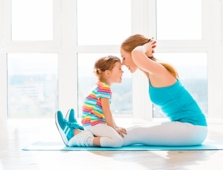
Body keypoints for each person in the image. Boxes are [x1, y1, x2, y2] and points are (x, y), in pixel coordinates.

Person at [57, 33, 208, 147]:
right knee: (133, 129)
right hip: (187, 127)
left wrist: (145, 48)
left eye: (123, 57)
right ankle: (83, 131)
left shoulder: (159, 71)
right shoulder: (152, 73)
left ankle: (74, 135)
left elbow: (136, 54)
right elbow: (137, 57)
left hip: (193, 129)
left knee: (134, 134)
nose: (122, 64)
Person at [55, 55, 126, 147]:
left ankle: (75, 129)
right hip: (93, 123)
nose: (123, 71)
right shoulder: (104, 88)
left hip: (91, 123)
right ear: (108, 73)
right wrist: (113, 128)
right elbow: (106, 111)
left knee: (114, 136)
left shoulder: (101, 86)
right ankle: (77, 138)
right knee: (117, 141)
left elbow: (107, 112)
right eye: (119, 68)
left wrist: (115, 127)